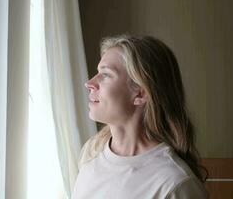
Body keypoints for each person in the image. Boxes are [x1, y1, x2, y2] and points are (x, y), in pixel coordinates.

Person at [72, 35, 208, 199]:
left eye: (106, 74)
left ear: (140, 93)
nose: (90, 83)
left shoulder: (174, 184)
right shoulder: (92, 151)